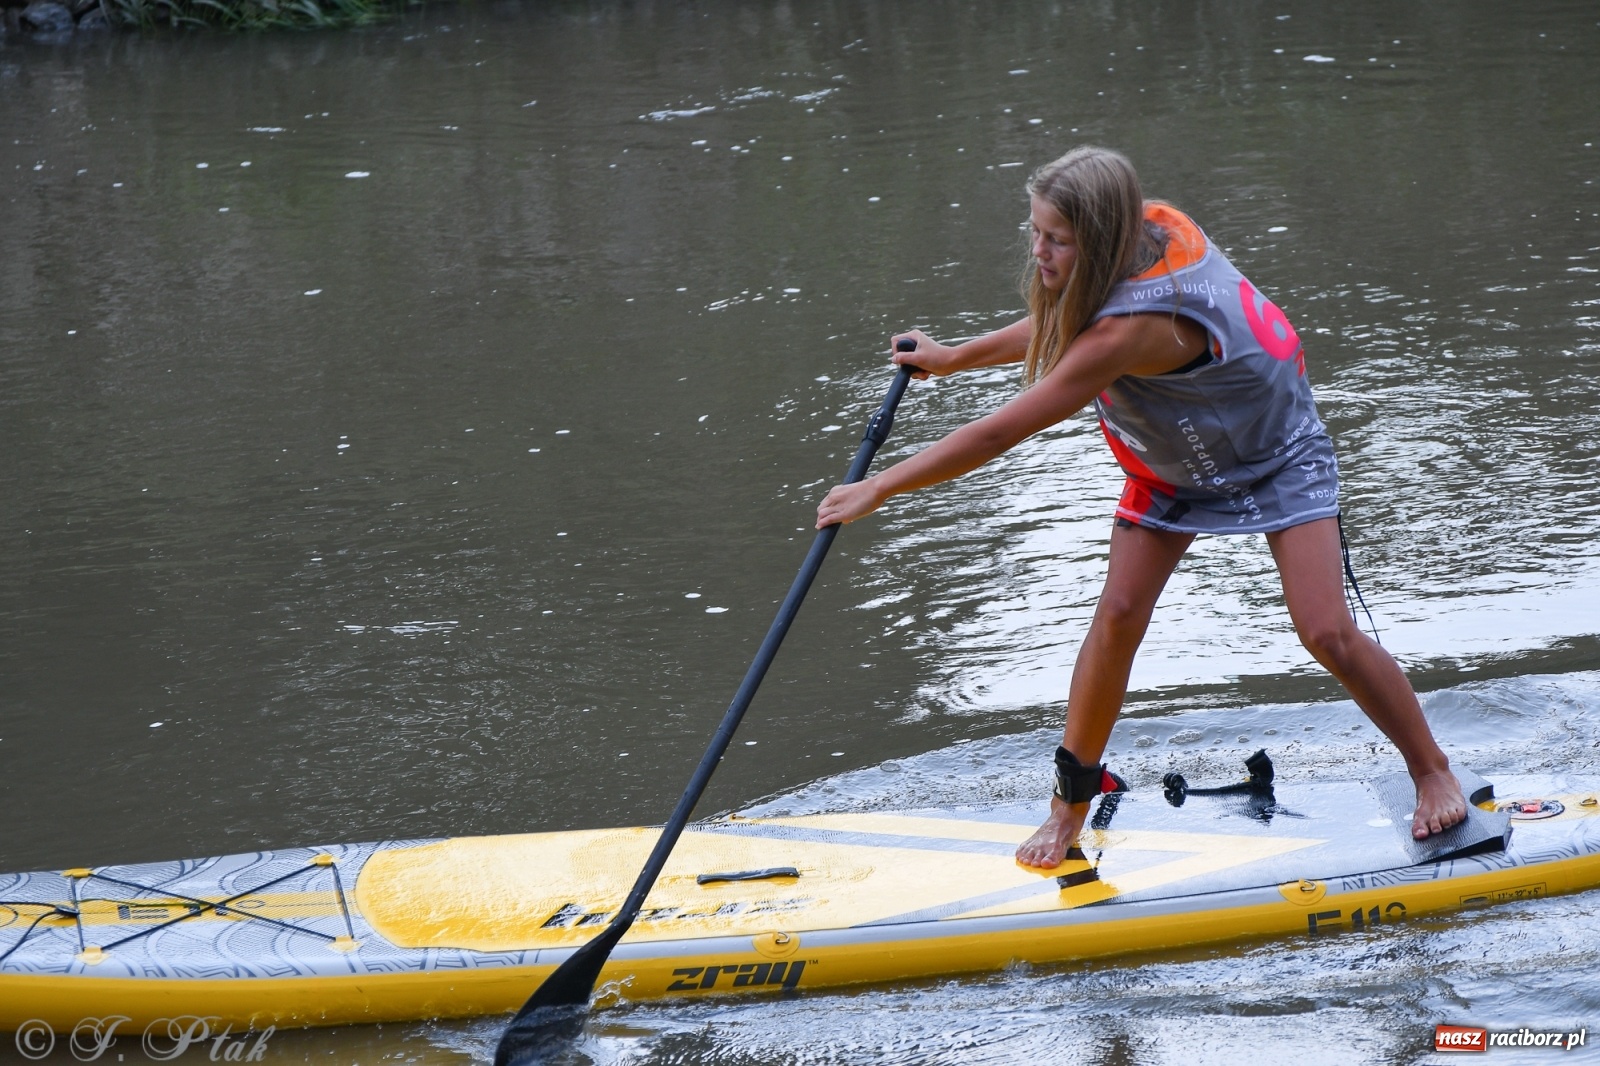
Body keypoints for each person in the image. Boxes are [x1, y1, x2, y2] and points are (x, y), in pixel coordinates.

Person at [815, 145, 1467, 868]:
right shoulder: (1144, 231)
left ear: (1099, 240)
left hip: (1275, 453)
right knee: (1118, 616)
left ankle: (1431, 769)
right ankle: (1068, 808)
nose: (1039, 252)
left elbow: (1005, 425)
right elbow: (1067, 327)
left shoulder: (1130, 329)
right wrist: (952, 357)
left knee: (1325, 631)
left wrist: (883, 486)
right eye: (1033, 232)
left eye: (1056, 240)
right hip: (1174, 465)